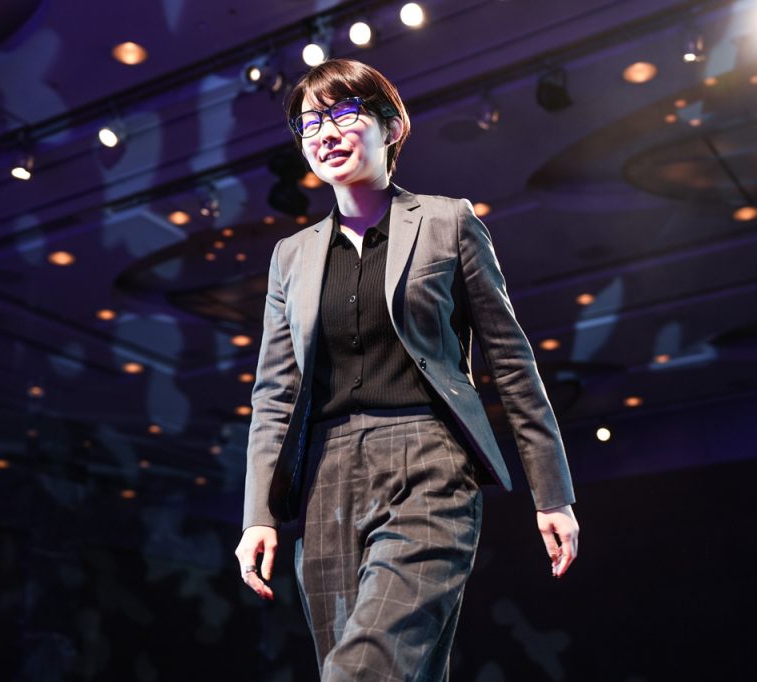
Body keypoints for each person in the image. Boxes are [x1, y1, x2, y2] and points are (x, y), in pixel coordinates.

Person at [235, 58, 579, 681]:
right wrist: (258, 513)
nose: (325, 133)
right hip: (325, 481)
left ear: (391, 127)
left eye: (344, 113)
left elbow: (510, 361)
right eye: (310, 123)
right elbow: (275, 394)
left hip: (429, 462)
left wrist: (552, 493)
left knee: (367, 665)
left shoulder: (450, 223)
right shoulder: (291, 256)